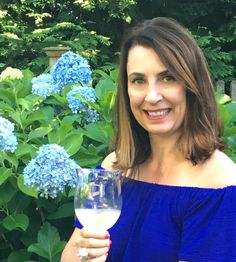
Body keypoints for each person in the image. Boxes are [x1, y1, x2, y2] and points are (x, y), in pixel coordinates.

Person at [61, 17, 236, 262]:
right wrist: (82, 253)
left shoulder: (218, 184)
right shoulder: (113, 168)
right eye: (138, 80)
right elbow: (73, 252)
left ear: (192, 85)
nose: (152, 96)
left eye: (167, 77)